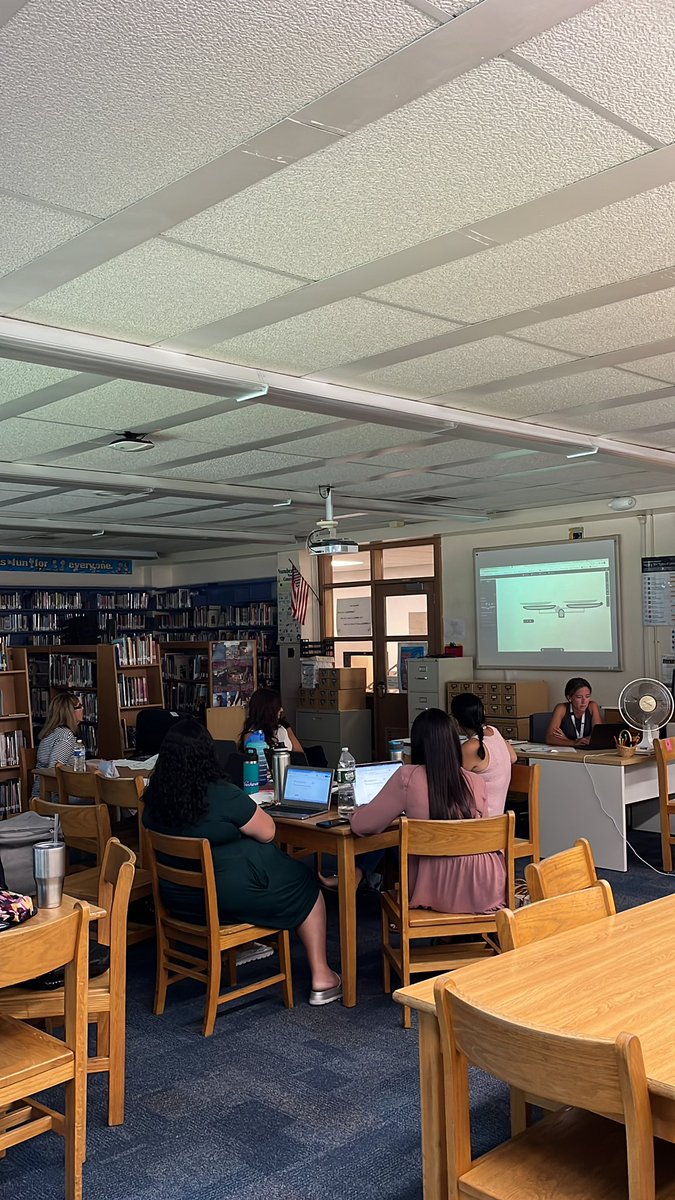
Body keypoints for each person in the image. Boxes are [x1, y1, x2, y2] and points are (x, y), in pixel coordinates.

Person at [143, 718, 341, 1005]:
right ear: (207, 756)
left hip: (178, 901)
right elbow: (268, 832)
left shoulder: (154, 798)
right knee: (305, 884)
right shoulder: (222, 795)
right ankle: (322, 976)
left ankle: (249, 945)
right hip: (224, 900)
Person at [350, 708, 506, 914]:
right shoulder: (476, 781)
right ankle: (453, 936)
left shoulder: (407, 776)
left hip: (434, 888)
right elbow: (478, 835)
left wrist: (356, 810)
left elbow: (363, 825)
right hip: (487, 886)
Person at [450, 692, 517, 817]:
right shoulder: (493, 731)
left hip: (479, 824)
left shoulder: (471, 747)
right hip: (498, 820)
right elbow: (513, 757)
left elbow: (449, 781)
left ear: (455, 720)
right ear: (483, 712)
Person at [31, 691, 84, 798]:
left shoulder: (52, 732)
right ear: (70, 712)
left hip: (41, 792)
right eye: (80, 706)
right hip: (53, 795)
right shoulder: (66, 736)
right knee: (106, 794)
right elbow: (54, 769)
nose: (83, 709)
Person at [239, 688, 303, 753]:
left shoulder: (283, 726)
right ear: (268, 710)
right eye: (278, 707)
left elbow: (299, 753)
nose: (281, 710)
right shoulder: (252, 736)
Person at [546, 677, 603, 747]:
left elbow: (599, 736)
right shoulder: (561, 708)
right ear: (569, 698)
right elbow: (550, 738)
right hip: (566, 753)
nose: (584, 702)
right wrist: (573, 743)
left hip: (587, 753)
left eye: (587, 696)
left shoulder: (592, 706)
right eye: (579, 697)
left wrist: (566, 740)